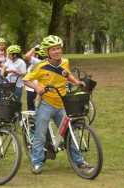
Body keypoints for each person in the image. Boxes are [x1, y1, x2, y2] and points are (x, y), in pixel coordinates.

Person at [23, 35, 88, 174]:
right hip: (46, 104)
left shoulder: (65, 62)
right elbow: (26, 80)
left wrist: (76, 82)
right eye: (53, 49)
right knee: (40, 135)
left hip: (62, 104)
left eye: (59, 48)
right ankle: (37, 162)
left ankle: (79, 161)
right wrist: (37, 88)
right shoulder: (40, 66)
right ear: (47, 52)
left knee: (70, 134)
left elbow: (66, 74)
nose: (57, 51)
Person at [25, 45, 47, 110]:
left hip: (33, 87)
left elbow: (27, 56)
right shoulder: (43, 62)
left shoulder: (37, 61)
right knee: (37, 106)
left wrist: (34, 48)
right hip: (36, 87)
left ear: (37, 55)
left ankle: (33, 119)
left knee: (32, 107)